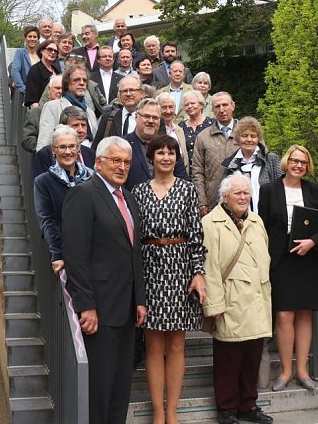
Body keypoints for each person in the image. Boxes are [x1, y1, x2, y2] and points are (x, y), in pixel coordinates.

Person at [62, 136, 147, 424]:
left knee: (121, 386)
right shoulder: (83, 194)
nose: (122, 167)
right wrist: (86, 305)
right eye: (116, 161)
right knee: (99, 387)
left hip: (125, 311)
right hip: (99, 309)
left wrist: (140, 300)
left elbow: (134, 253)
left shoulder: (129, 199)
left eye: (126, 162)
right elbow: (75, 255)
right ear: (98, 162)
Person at [133, 135, 207, 424]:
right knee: (153, 345)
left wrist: (198, 272)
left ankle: (173, 412)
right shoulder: (138, 192)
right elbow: (133, 238)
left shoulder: (188, 191)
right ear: (151, 157)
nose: (166, 157)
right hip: (149, 268)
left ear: (177, 158)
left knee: (176, 345)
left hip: (180, 269)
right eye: (160, 152)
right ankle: (158, 412)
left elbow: (196, 236)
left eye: (171, 153)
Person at [258, 145, 318, 393]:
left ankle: (302, 371)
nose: (298, 165)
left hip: (309, 259)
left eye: (303, 162)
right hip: (281, 260)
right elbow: (261, 226)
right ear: (286, 162)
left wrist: (313, 242)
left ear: (307, 165)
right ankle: (285, 372)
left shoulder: (314, 191)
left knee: (304, 315)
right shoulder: (269, 190)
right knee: (283, 316)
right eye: (294, 160)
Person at [202, 174, 273, 424]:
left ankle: (248, 405)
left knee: (252, 357)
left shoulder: (256, 221)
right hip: (230, 300)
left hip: (256, 299)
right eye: (238, 193)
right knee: (228, 360)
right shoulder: (210, 223)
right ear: (225, 197)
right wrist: (213, 305)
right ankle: (227, 408)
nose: (243, 197)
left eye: (246, 193)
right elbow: (209, 268)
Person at [33, 125, 94, 274]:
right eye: (62, 147)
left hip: (95, 252)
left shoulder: (92, 177)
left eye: (72, 146)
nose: (68, 152)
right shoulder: (43, 182)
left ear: (78, 148)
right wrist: (57, 254)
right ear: (53, 150)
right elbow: (47, 220)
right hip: (66, 254)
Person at [124, 98, 189, 191]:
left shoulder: (169, 145)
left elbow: (183, 180)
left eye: (155, 118)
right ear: (136, 117)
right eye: (146, 116)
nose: (151, 121)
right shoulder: (124, 145)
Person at [221, 117, 282, 212]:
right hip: (240, 219)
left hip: (269, 218)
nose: (249, 140)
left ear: (258, 139)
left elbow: (282, 190)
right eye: (244, 136)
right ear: (238, 138)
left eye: (253, 136)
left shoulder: (271, 159)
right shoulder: (230, 164)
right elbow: (224, 196)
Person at [192, 92, 238, 216]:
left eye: (225, 105)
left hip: (243, 199)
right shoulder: (203, 137)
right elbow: (197, 171)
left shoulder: (246, 133)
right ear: (212, 110)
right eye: (217, 106)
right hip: (213, 202)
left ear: (233, 106)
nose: (222, 110)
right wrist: (201, 201)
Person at [36, 65, 98, 151]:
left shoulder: (90, 112)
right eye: (76, 80)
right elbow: (44, 142)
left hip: (87, 160)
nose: (82, 83)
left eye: (84, 80)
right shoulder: (52, 107)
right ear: (66, 84)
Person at [33, 106, 96, 178]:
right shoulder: (45, 154)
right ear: (64, 126)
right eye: (75, 125)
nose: (81, 130)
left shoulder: (91, 153)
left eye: (83, 125)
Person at [91, 75, 143, 150]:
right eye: (124, 91)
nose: (128, 94)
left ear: (141, 93)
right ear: (119, 95)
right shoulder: (109, 116)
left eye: (132, 90)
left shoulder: (149, 118)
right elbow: (96, 147)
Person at [21, 74, 63, 153]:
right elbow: (27, 139)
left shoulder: (70, 111)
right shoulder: (35, 113)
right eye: (57, 88)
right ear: (49, 90)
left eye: (63, 89)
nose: (60, 91)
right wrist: (45, 150)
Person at [179, 90, 214, 171]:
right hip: (188, 172)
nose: (190, 106)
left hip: (209, 170)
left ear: (201, 105)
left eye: (193, 103)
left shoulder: (212, 123)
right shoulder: (181, 126)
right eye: (186, 104)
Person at [23, 40, 62, 107]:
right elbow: (32, 99)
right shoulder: (35, 70)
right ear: (42, 51)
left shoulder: (57, 71)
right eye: (50, 49)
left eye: (55, 51)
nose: (53, 52)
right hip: (41, 110)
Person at [157, 93, 189, 165]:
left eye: (171, 107)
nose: (168, 111)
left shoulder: (179, 130)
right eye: (164, 107)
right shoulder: (155, 131)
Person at [9, 25, 40, 94]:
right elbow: (15, 70)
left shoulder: (41, 55)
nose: (32, 39)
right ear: (25, 38)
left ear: (38, 39)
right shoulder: (20, 53)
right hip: (25, 92)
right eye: (29, 36)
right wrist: (23, 88)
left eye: (34, 37)